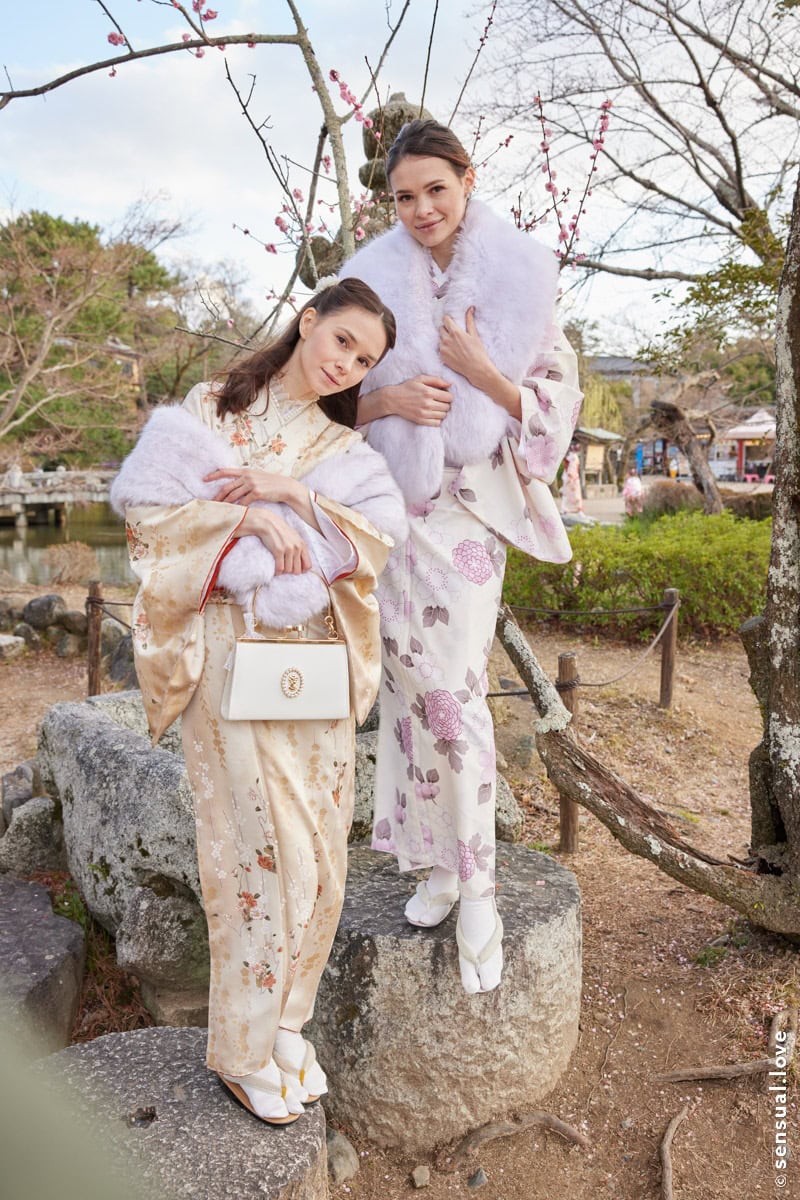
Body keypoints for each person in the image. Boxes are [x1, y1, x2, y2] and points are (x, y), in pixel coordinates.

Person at [110, 279, 407, 1125]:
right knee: (259, 855)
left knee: (322, 856)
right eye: (342, 340)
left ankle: (284, 1023)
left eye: (365, 360)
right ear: (309, 321)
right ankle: (241, 1050)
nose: (347, 365)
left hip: (312, 666)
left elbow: (375, 543)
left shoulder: (343, 448)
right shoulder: (212, 409)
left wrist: (292, 495)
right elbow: (148, 517)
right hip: (228, 658)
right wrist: (243, 526)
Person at [339, 119, 582, 994]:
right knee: (409, 694)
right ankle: (438, 864)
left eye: (435, 189)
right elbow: (321, 393)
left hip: (469, 513)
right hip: (390, 510)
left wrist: (482, 371)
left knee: (454, 694)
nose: (421, 209)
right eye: (404, 196)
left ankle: (478, 885)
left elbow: (556, 405)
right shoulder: (370, 280)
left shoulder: (519, 276)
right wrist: (388, 400)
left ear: (467, 179)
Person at [560, 443, 584, 515]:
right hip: (571, 477)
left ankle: (563, 508)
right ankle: (578, 510)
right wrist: (572, 478)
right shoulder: (573, 457)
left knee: (566, 493)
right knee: (574, 494)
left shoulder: (570, 456)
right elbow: (571, 468)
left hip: (568, 476)